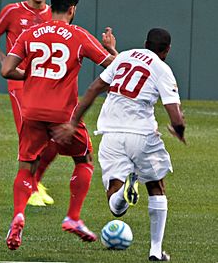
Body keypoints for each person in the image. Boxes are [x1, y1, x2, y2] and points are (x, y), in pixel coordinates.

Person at [0, 0, 118, 250]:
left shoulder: (30, 33)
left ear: (51, 7)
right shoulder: (78, 35)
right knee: (83, 159)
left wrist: (30, 77)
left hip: (31, 111)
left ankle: (18, 214)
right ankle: (73, 217)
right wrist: (112, 48)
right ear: (73, 9)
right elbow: (114, 68)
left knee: (26, 167)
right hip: (63, 115)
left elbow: (7, 70)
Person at [54, 28, 186, 261]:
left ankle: (124, 194)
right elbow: (173, 110)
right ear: (167, 50)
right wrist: (179, 129)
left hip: (111, 134)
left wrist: (73, 122)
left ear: (145, 43)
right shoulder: (162, 69)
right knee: (156, 187)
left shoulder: (124, 56)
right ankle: (155, 251)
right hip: (142, 135)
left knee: (116, 207)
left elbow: (94, 88)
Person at [0, 0, 56, 207]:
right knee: (28, 134)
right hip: (19, 81)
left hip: (44, 83)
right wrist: (3, 59)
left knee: (52, 136)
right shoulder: (13, 11)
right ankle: (30, 187)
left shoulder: (52, 15)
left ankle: (34, 182)